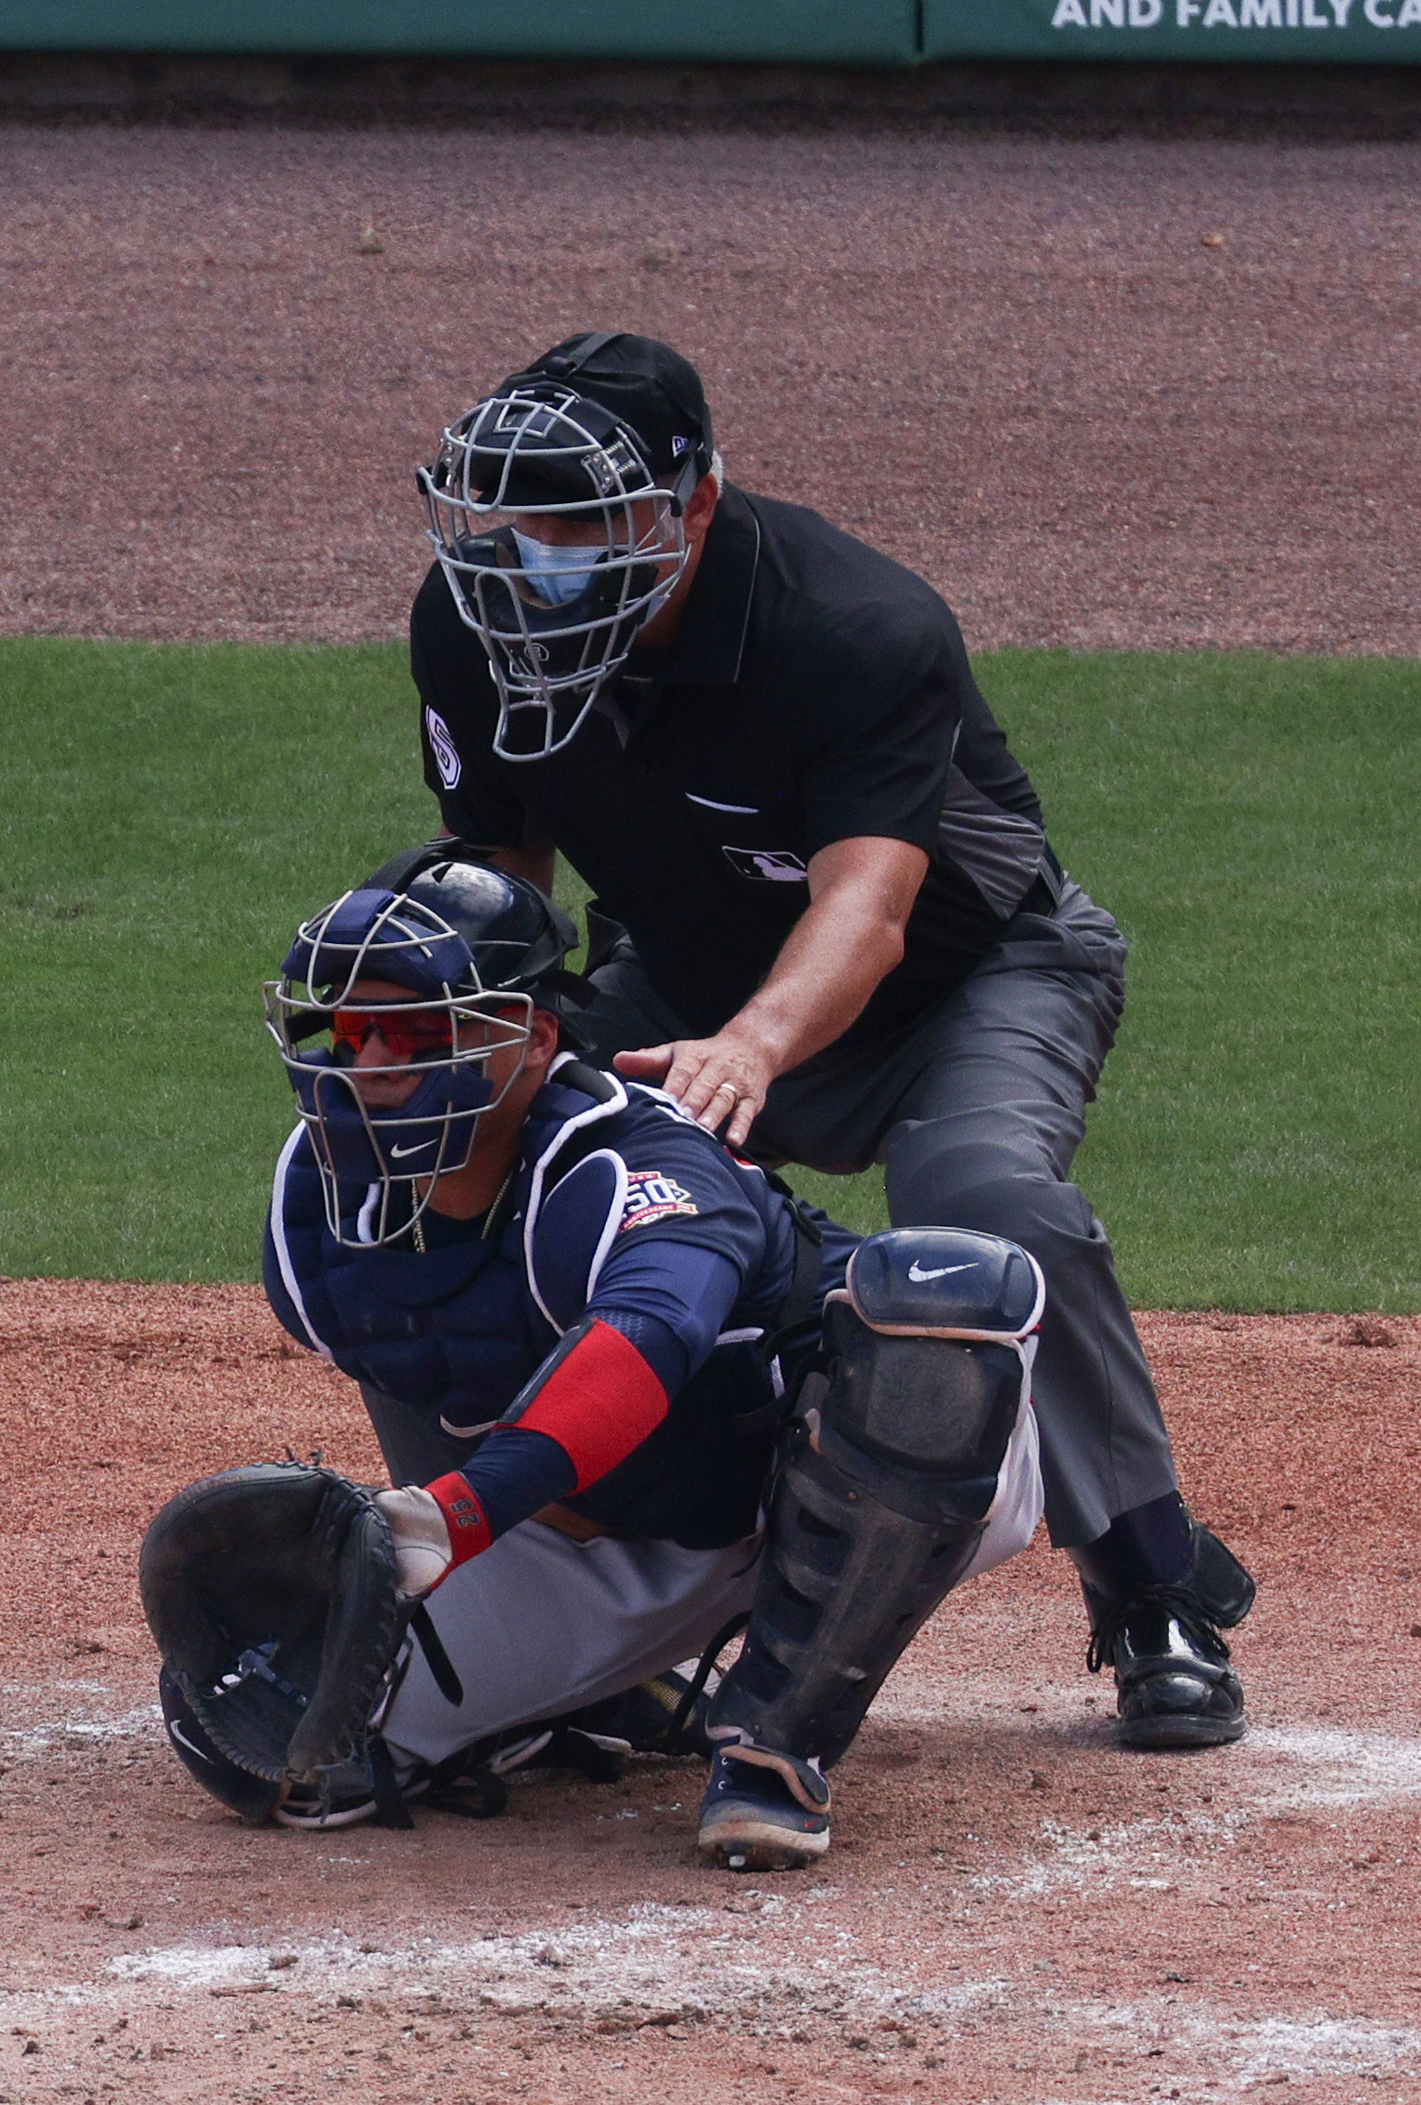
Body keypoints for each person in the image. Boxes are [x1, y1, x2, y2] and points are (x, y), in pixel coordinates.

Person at [404, 329, 1251, 1752]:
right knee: (473, 1164)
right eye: (514, 518)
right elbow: (504, 880)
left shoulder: (851, 628)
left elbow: (867, 911)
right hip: (679, 981)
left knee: (987, 1211)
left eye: (578, 518)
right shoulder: (471, 622)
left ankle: (1150, 1583)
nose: (534, 552)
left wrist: (747, 1047)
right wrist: (469, 1061)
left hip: (967, 978)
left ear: (690, 503)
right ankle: (534, 1601)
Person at [147, 852, 1048, 1867]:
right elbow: (432, 1381)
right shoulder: (322, 1209)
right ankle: (596, 1690)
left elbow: (646, 1345)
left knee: (944, 1303)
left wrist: (460, 1513)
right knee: (292, 1743)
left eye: (412, 1029)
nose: (371, 1061)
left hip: (846, 1472)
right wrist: (424, 1550)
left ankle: (776, 1742)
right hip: (617, 1529)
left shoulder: (626, 1162)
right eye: (351, 1032)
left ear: (526, 1042)